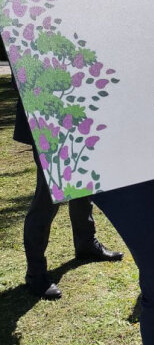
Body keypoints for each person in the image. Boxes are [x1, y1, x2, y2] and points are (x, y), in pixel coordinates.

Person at [11, 73, 122, 300]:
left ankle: (85, 243)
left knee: (82, 185)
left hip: (79, 110)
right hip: (46, 116)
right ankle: (36, 272)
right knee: (49, 196)